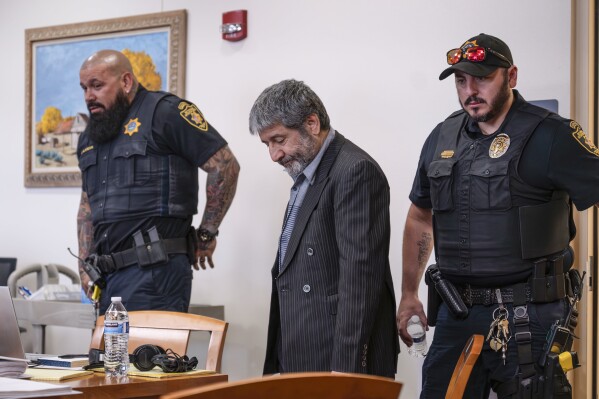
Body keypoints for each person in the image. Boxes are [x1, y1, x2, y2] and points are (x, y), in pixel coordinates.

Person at [396, 33, 599, 398]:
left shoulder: (551, 135)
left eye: (483, 77)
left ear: (512, 76)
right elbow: (420, 216)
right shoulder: (442, 137)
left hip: (531, 315)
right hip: (457, 314)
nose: (470, 89)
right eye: (461, 80)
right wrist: (409, 293)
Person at [249, 79, 399, 378]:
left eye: (279, 139)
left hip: (338, 361)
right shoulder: (307, 173)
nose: (274, 155)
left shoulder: (355, 171)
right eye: (267, 144)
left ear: (312, 123)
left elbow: (360, 279)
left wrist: (346, 368)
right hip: (301, 350)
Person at [77, 50, 239, 314]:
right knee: (105, 357)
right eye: (84, 88)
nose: (88, 96)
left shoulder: (166, 113)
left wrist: (207, 233)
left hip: (155, 275)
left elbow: (225, 165)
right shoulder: (91, 135)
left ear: (126, 82)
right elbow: (86, 205)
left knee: (149, 356)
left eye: (97, 85)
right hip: (107, 279)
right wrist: (84, 265)